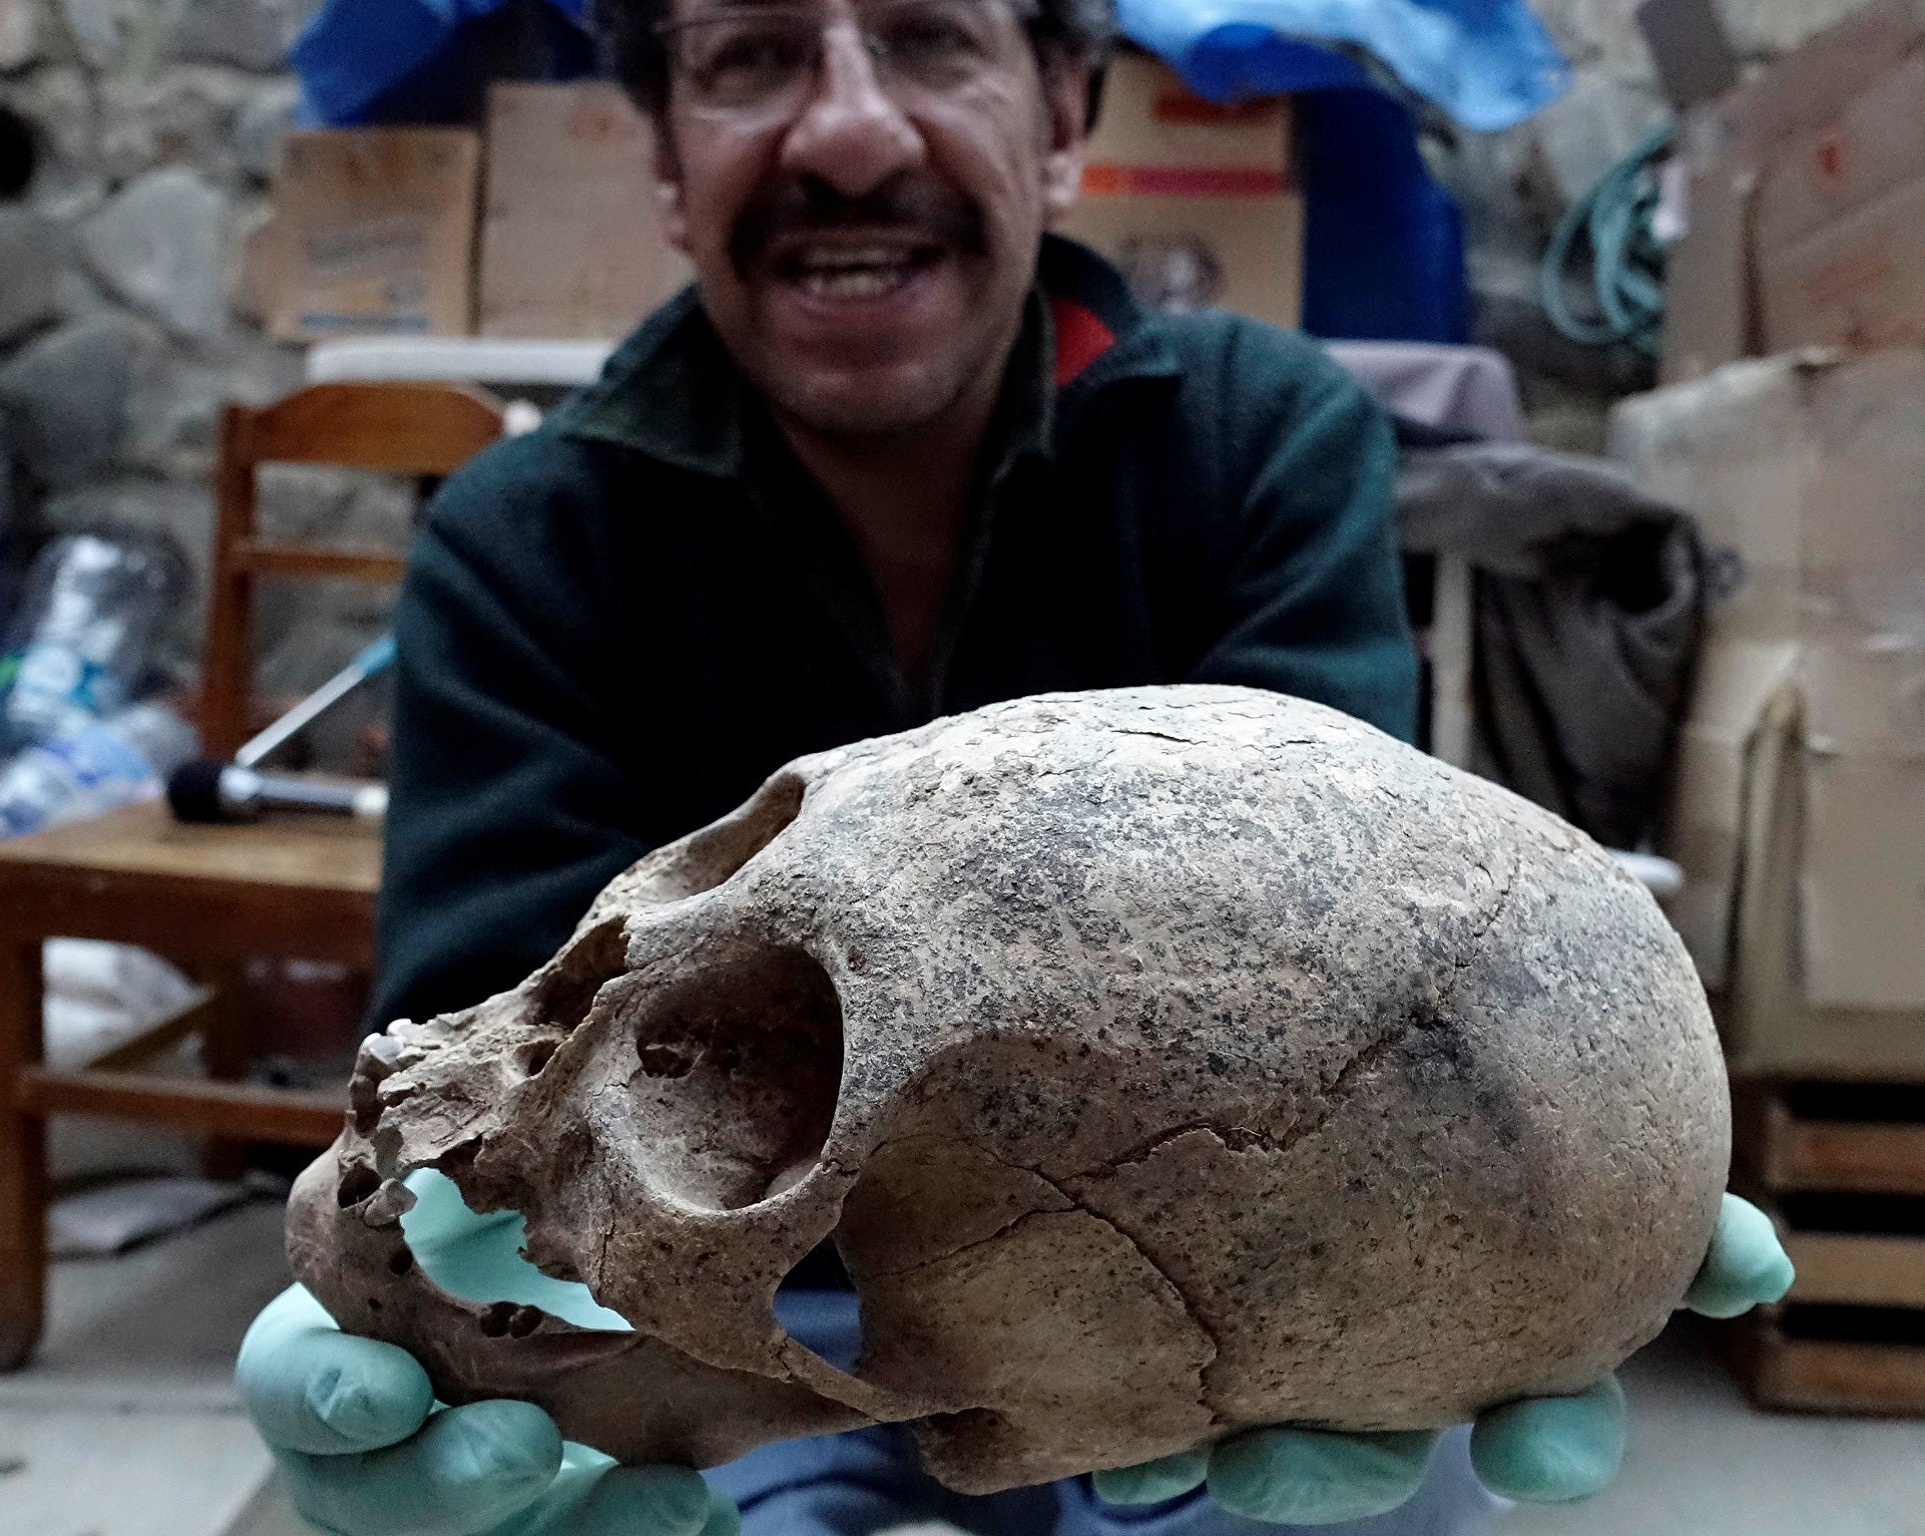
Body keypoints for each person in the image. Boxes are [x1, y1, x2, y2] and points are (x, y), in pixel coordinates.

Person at [237, 1, 1794, 1532]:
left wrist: (1559, 1180)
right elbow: (474, 1099)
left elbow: (1341, 1010)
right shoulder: (523, 540)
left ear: (1058, 117)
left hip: (1201, 1306)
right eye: (752, 57)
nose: (847, 128)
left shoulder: (1260, 442)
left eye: (928, 37)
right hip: (731, 1316)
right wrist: (463, 1290)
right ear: (663, 158)